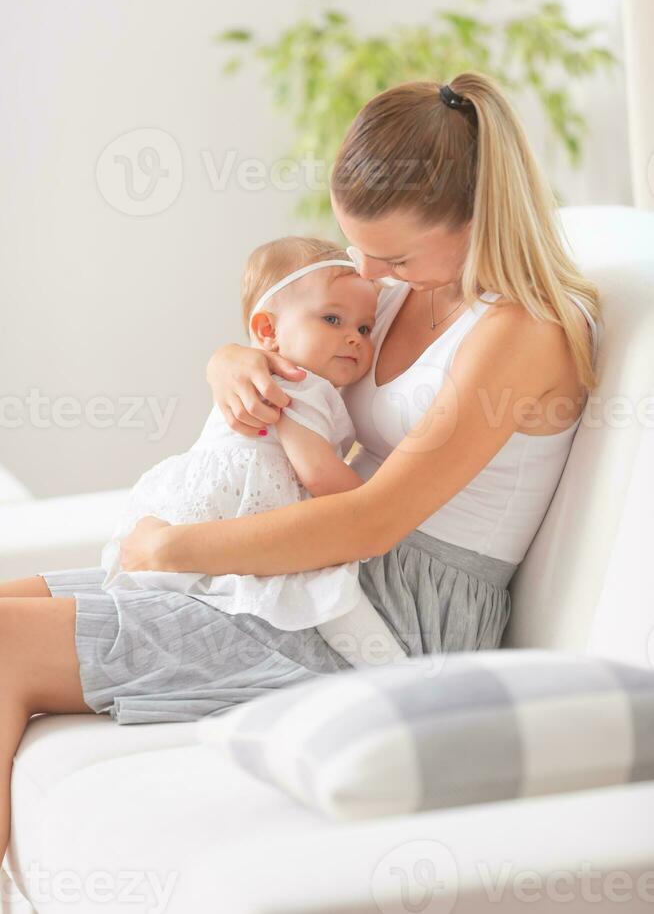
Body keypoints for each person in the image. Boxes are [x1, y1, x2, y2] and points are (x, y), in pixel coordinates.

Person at [0, 71, 601, 869]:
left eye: (391, 252)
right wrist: (229, 361)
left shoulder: (524, 332)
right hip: (319, 562)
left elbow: (373, 519)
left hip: (389, 614)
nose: (370, 270)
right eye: (358, 246)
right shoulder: (402, 293)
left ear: (478, 216)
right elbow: (293, 341)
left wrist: (169, 549)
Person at [99, 235, 407, 668]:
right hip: (245, 507)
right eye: (332, 319)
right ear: (268, 331)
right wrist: (376, 503)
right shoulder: (295, 383)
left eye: (363, 328)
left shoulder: (275, 374)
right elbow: (319, 476)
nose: (355, 339)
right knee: (331, 593)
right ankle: (396, 670)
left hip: (204, 506)